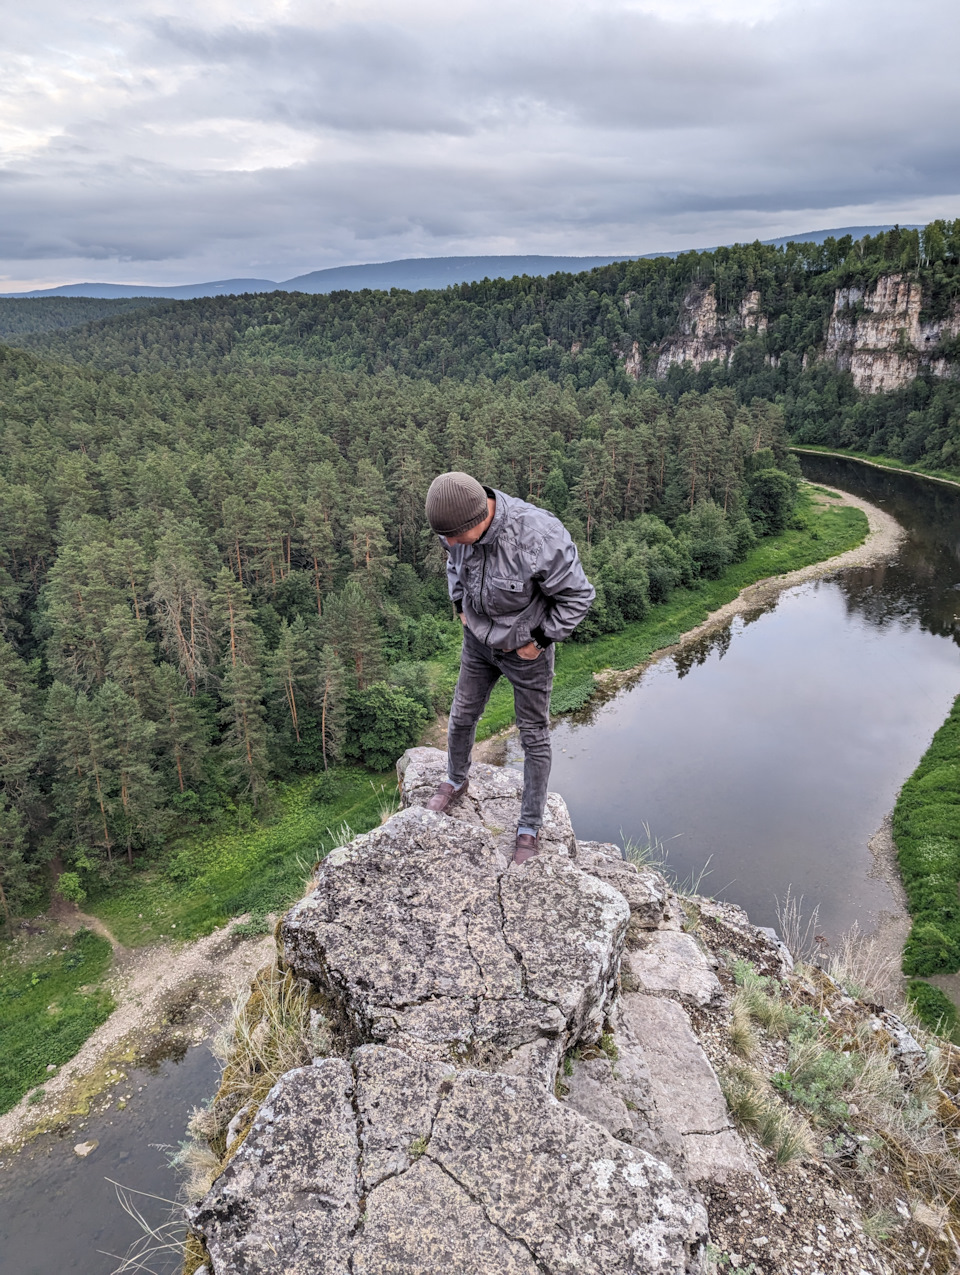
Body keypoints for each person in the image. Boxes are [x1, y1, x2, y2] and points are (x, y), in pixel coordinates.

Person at [424, 471, 596, 864]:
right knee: (462, 715)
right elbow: (454, 563)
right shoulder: (454, 526)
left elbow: (578, 598)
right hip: (478, 643)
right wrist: (459, 608)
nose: (448, 544)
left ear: (477, 520)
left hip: (524, 650)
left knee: (534, 736)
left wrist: (539, 641)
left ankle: (529, 827)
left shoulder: (537, 535)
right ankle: (454, 780)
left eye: (453, 536)